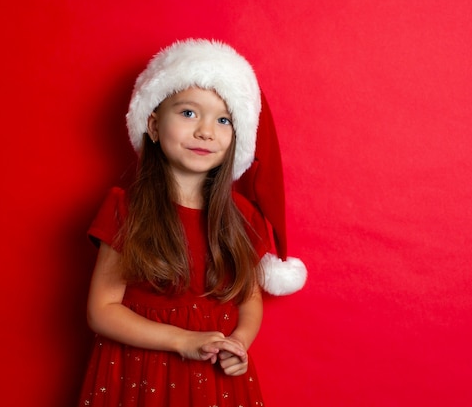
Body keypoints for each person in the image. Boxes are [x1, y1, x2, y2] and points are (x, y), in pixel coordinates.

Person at [78, 39, 306, 407]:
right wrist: (182, 340)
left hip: (215, 378)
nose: (205, 131)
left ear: (237, 136)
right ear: (152, 123)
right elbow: (101, 310)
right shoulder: (127, 209)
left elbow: (248, 303)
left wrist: (239, 344)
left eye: (223, 119)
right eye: (188, 113)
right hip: (140, 373)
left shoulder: (242, 217)